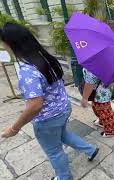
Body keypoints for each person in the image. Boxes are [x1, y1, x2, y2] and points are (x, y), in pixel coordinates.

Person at [0, 23, 99, 180]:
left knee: (54, 151)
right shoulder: (45, 57)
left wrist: (14, 128)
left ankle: (63, 177)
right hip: (64, 108)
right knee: (63, 134)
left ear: (10, 44)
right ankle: (90, 149)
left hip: (47, 120)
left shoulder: (27, 71)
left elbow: (35, 105)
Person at [80, 68, 114, 137]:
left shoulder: (93, 65)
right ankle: (102, 121)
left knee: (105, 112)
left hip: (99, 94)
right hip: (105, 90)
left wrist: (85, 98)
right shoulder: (108, 62)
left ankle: (112, 131)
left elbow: (90, 83)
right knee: (99, 109)